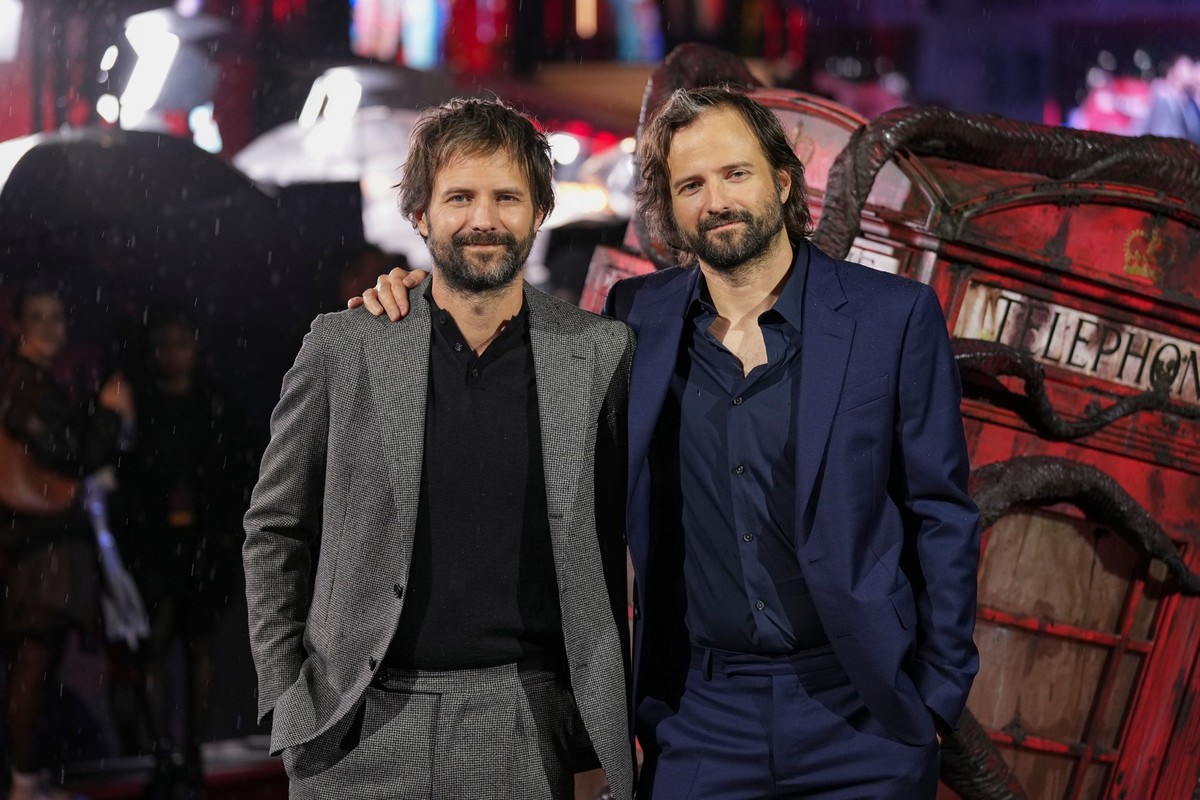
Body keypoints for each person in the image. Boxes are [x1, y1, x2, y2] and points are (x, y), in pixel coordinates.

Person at [358, 85, 980, 798]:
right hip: (702, 713)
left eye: (735, 174)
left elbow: (944, 514)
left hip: (863, 710)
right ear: (670, 208)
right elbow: (509, 343)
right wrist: (412, 296)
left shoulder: (891, 318)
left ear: (782, 182)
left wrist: (935, 697)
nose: (716, 200)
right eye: (691, 184)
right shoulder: (634, 320)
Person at [242, 98, 635, 800]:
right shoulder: (344, 344)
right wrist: (287, 696)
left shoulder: (600, 354)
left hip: (523, 721)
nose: (483, 219)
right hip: (354, 724)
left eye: (506, 197)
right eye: (459, 197)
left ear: (538, 211)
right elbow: (274, 530)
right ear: (420, 215)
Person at [111, 310, 257, 800]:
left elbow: (243, 467)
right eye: (165, 343)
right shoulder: (142, 403)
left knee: (199, 646)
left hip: (204, 542)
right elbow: (123, 475)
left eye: (181, 343)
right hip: (152, 544)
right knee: (156, 645)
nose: (173, 353)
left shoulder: (215, 403)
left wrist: (219, 526)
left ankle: (190, 751)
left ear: (195, 348)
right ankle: (162, 752)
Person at [1, 283, 133, 800]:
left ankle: (27, 776)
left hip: (47, 541)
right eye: (39, 316)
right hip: (44, 544)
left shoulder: (32, 383)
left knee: (40, 661)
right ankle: (23, 779)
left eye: (57, 316)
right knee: (35, 661)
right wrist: (109, 413)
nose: (52, 327)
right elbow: (74, 452)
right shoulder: (25, 386)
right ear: (19, 326)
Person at [1138, 54, 1200, 145]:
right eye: (1185, 68)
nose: (1188, 72)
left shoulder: (1187, 99)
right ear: (1174, 71)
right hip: (1163, 147)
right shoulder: (1163, 95)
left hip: (1176, 148)